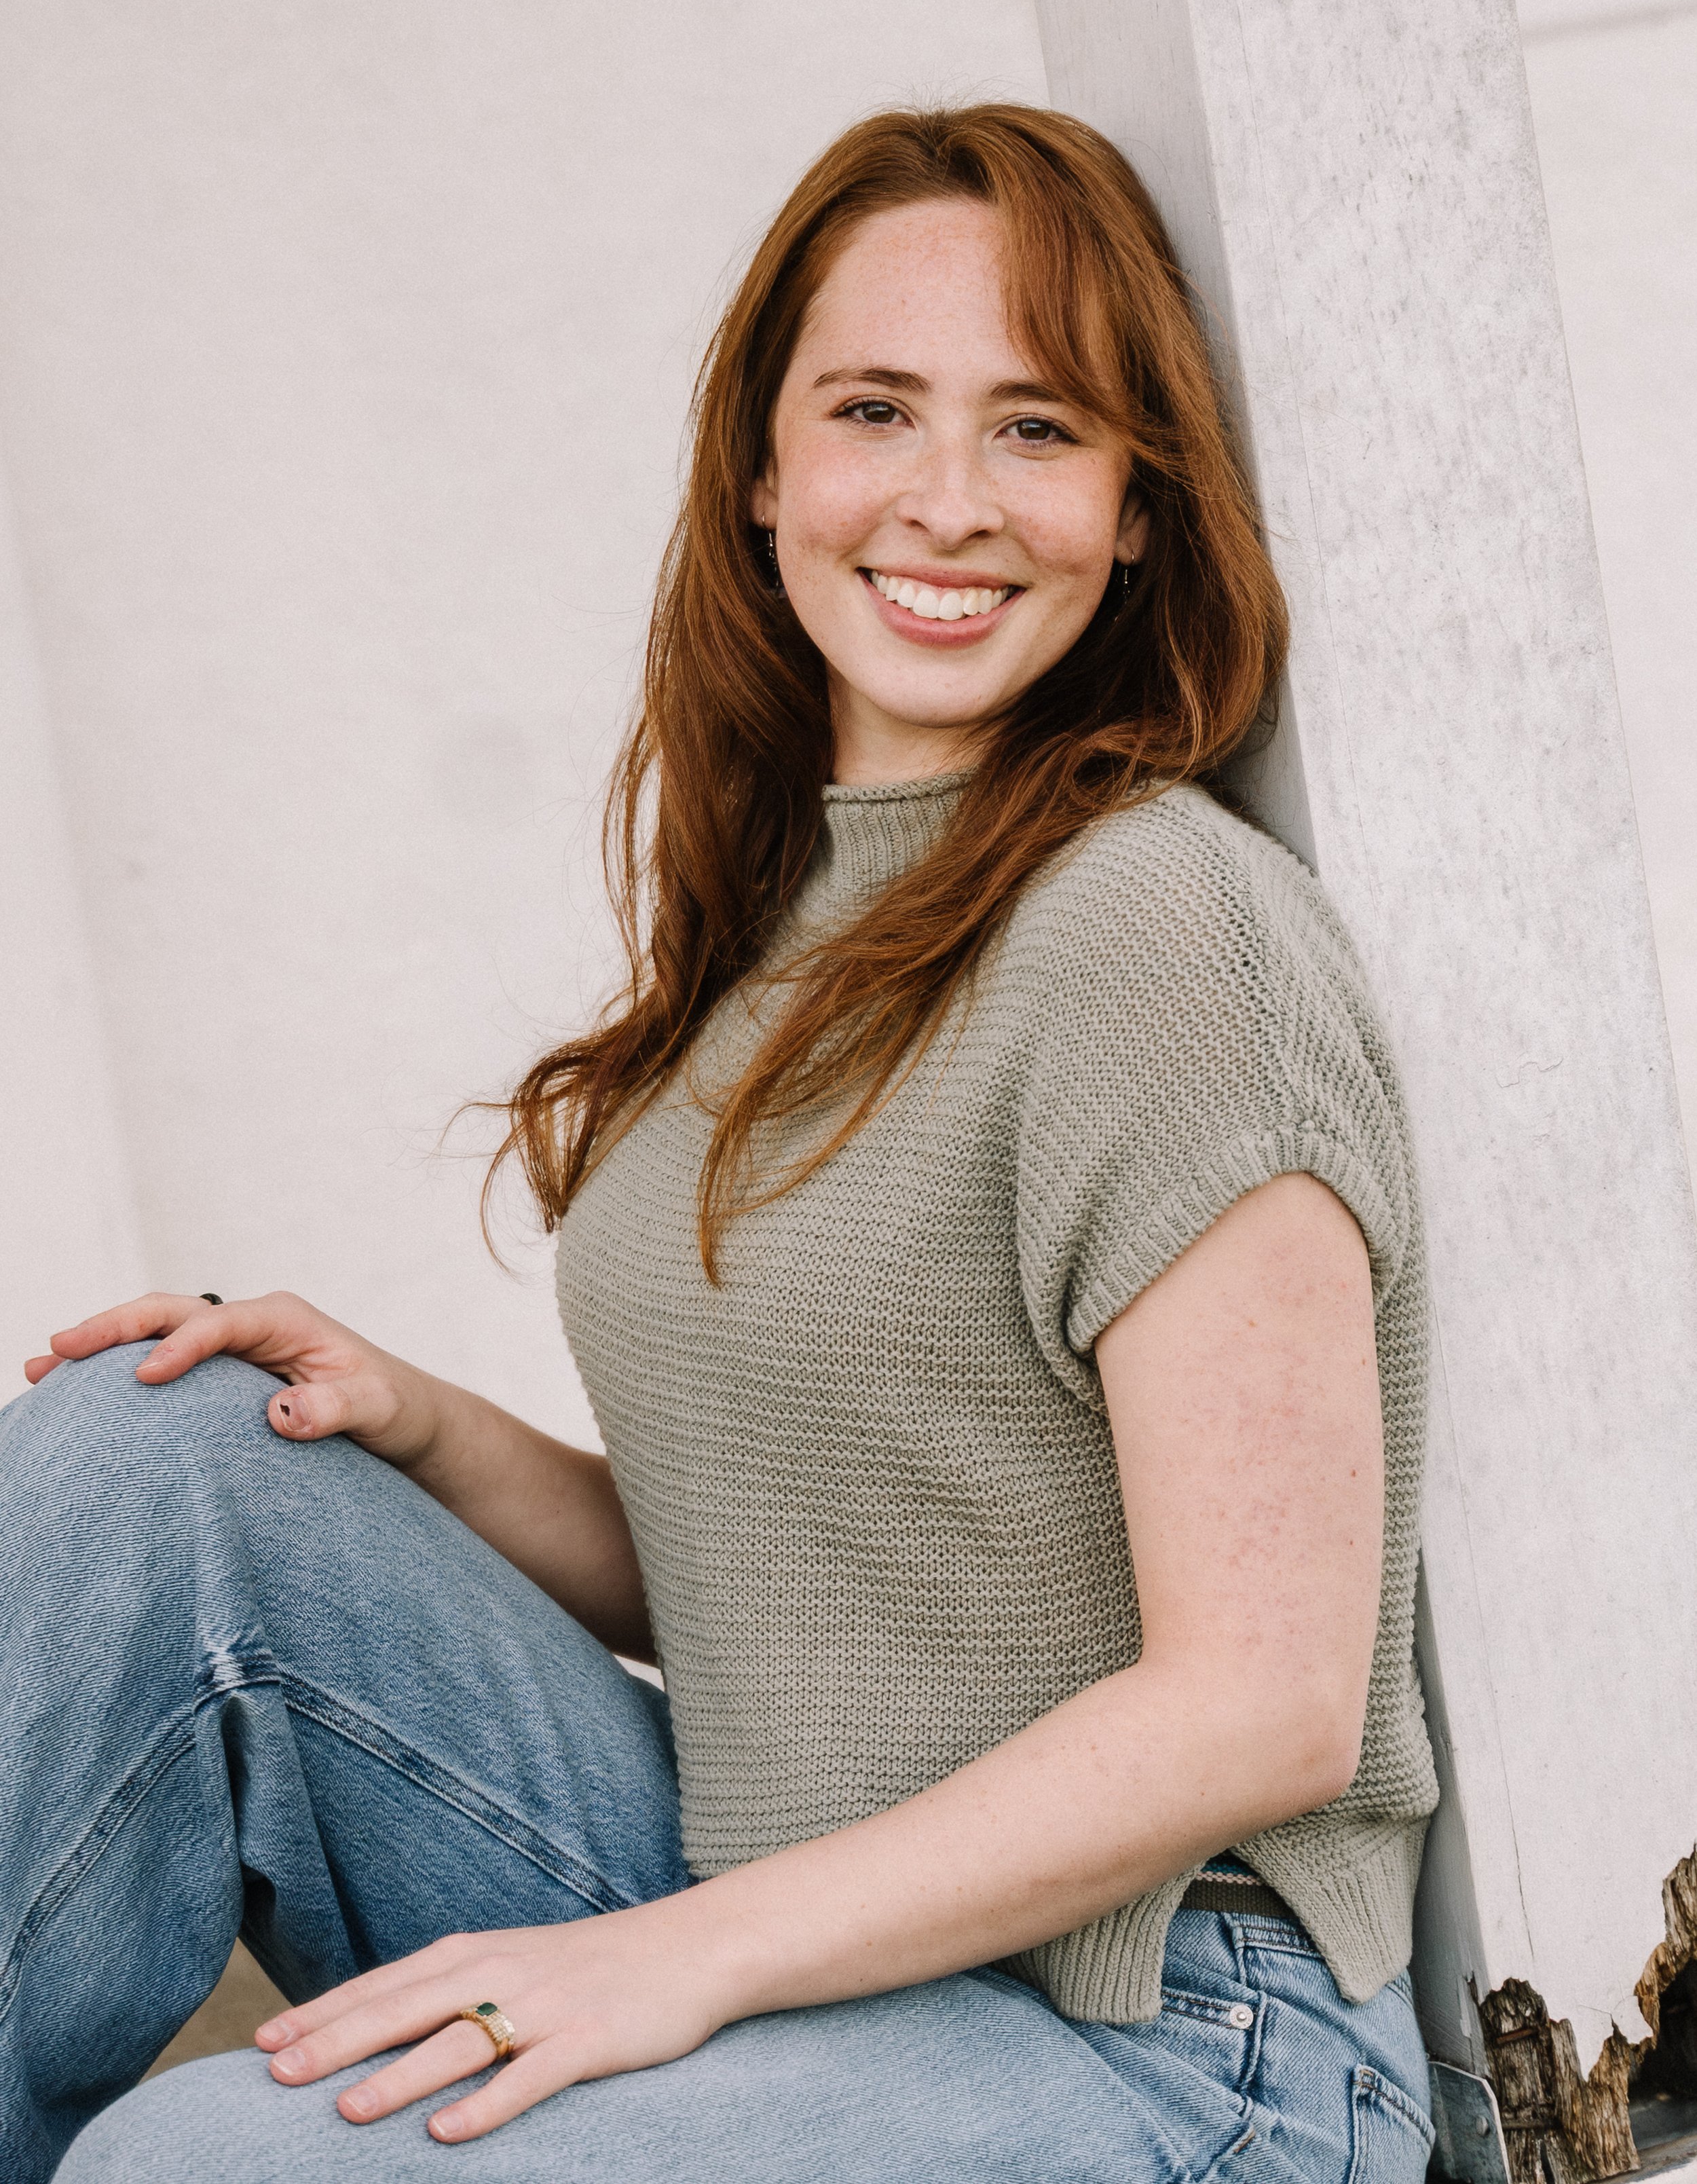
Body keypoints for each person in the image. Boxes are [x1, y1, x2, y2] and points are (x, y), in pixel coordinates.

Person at [3, 105, 1440, 2183]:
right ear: (765, 470)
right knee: (155, 1456)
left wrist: (671, 1962)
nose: (948, 504)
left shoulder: (1151, 922)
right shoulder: (789, 921)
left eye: (1039, 430)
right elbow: (807, 1584)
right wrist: (425, 1435)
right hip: (816, 1928)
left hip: (1167, 2040)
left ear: (1137, 507)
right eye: (877, 411)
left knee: (211, 2165)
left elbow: (1265, 1704)